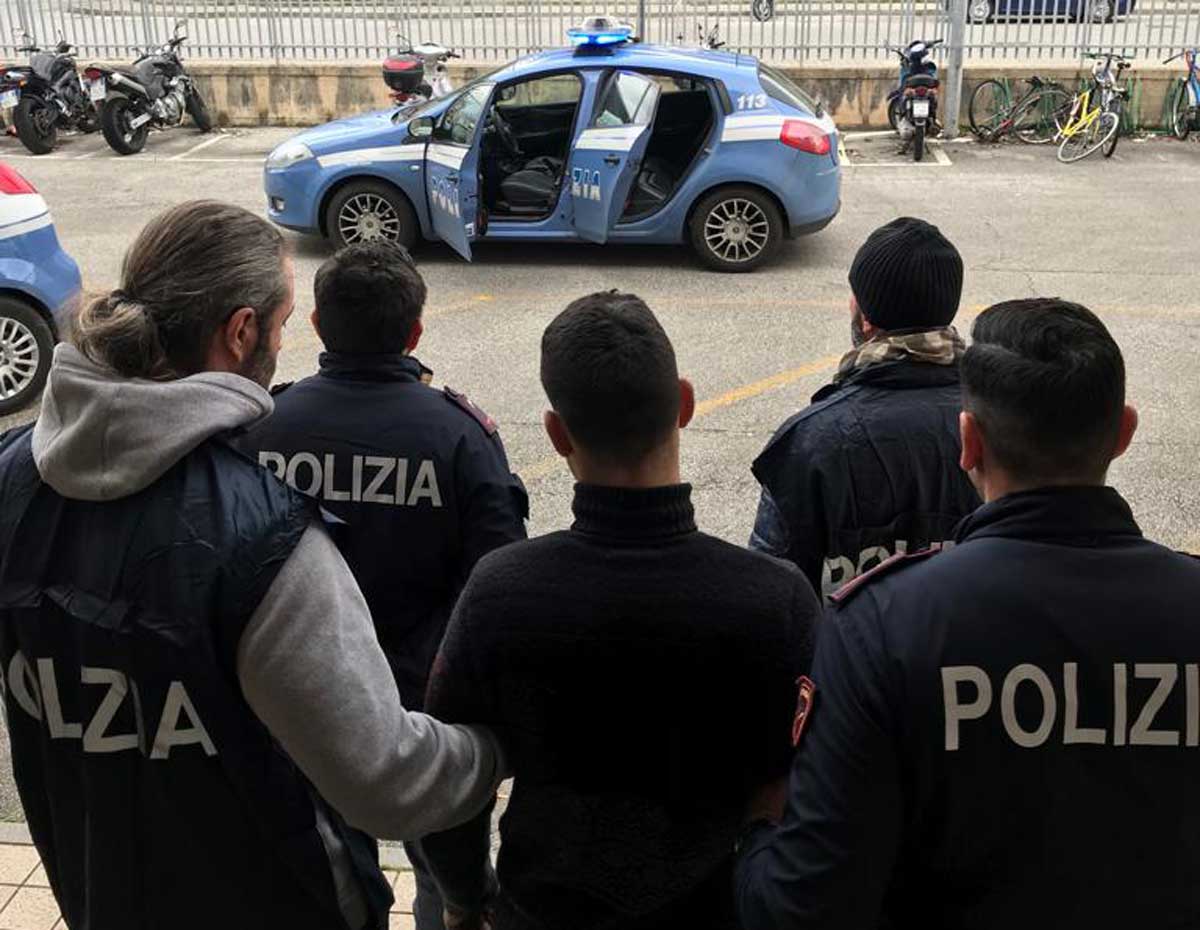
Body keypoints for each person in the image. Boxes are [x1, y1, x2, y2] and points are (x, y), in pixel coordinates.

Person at [0, 201, 504, 930]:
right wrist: (496, 750)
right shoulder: (261, 534)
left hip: (96, 887)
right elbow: (386, 779)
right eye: (280, 321)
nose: (283, 339)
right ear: (240, 333)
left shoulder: (12, 479)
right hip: (275, 897)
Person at [735, 298, 1200, 929]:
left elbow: (807, 906)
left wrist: (759, 830)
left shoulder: (883, 625)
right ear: (1124, 431)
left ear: (969, 442)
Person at [421, 291, 822, 930]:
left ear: (556, 435)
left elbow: (447, 781)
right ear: (686, 404)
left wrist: (466, 898)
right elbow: (803, 790)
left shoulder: (503, 590)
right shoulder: (776, 600)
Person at [237, 239, 527, 929]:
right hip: (427, 711)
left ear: (314, 325)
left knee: (326, 874)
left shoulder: (262, 428)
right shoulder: (459, 436)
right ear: (415, 331)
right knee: (450, 882)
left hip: (292, 710)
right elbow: (497, 583)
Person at [749, 216, 981, 598]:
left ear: (866, 318)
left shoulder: (809, 439)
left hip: (843, 656)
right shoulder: (1001, 424)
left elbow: (769, 592)